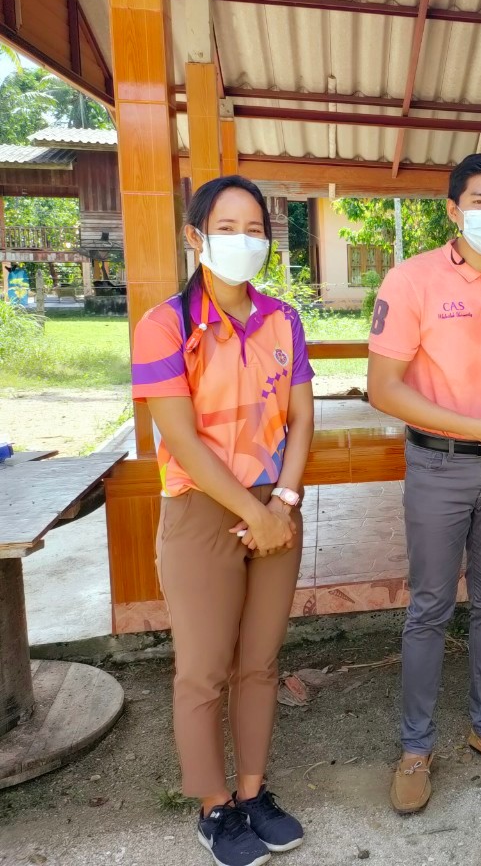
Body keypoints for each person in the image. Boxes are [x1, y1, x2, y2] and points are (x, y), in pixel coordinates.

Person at [131, 175, 314, 866]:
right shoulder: (165, 325)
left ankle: (253, 792)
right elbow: (179, 438)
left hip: (276, 505)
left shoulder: (283, 319)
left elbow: (303, 417)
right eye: (227, 227)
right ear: (195, 236)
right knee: (203, 669)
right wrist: (252, 513)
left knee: (260, 663)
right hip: (202, 507)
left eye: (255, 229)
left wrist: (283, 502)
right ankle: (214, 808)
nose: (245, 240)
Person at [367, 153, 481, 814]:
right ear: (453, 210)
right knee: (430, 606)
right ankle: (416, 747)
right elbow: (383, 388)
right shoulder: (411, 280)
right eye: (480, 200)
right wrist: (477, 427)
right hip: (438, 466)